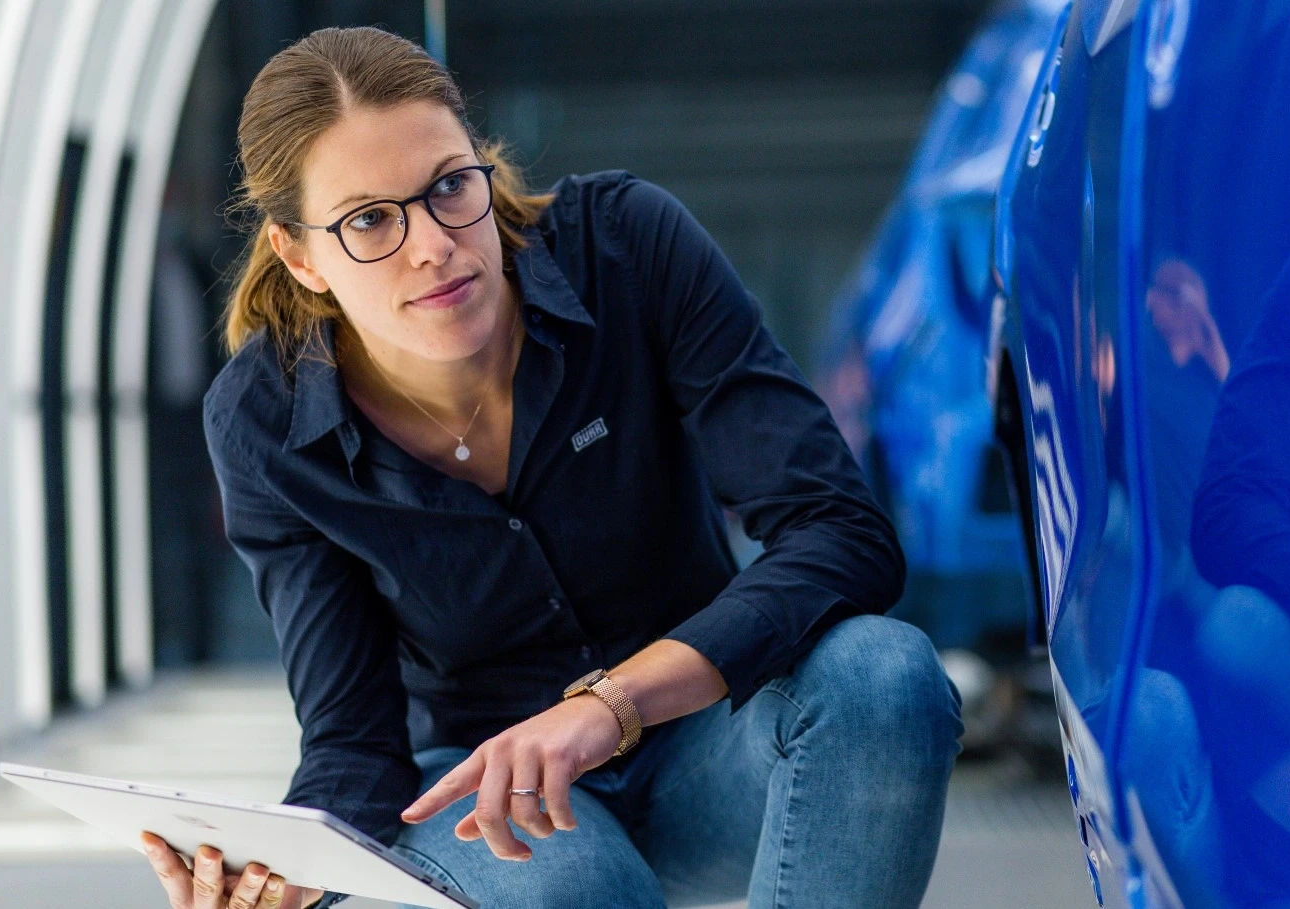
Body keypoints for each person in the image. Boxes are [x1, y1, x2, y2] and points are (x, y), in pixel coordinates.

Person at [139, 25, 963, 909]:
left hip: (711, 745)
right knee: (572, 890)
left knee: (886, 675)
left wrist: (611, 704)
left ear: (483, 171)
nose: (432, 245)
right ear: (301, 257)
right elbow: (353, 738)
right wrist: (290, 877)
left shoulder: (626, 250)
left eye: (450, 187)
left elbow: (841, 531)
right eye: (370, 219)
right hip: (494, 794)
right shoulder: (263, 422)